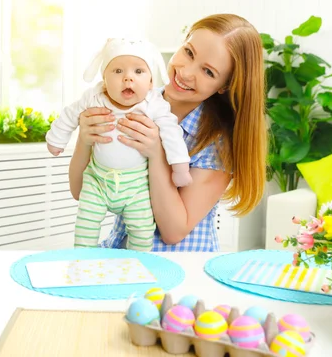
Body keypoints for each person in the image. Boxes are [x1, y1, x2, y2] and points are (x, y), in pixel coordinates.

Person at [68, 14, 267, 251]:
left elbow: (173, 231)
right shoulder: (130, 101)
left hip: (178, 264)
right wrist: (84, 140)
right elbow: (80, 191)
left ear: (224, 86)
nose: (186, 72)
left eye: (208, 72)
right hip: (121, 253)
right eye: (189, 52)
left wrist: (157, 154)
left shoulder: (215, 142)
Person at [46, 38, 192, 251]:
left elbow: (172, 134)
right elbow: (70, 114)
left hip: (137, 185)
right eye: (117, 71)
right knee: (85, 226)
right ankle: (83, 260)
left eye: (139, 72)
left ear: (151, 82)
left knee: (142, 231)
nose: (128, 78)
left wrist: (180, 167)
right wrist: (56, 140)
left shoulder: (154, 105)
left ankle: (139, 264)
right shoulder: (94, 98)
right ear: (104, 78)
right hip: (98, 179)